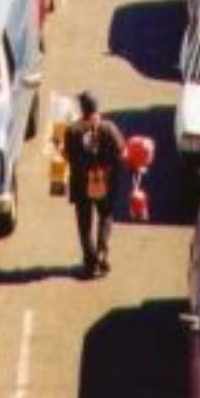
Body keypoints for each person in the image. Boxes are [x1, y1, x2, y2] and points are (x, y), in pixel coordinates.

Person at [63, 91, 125, 278]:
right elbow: (121, 151)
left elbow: (67, 156)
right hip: (105, 181)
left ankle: (90, 262)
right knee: (105, 216)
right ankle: (102, 253)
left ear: (82, 109)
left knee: (84, 223)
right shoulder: (109, 128)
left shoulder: (72, 130)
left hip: (81, 183)